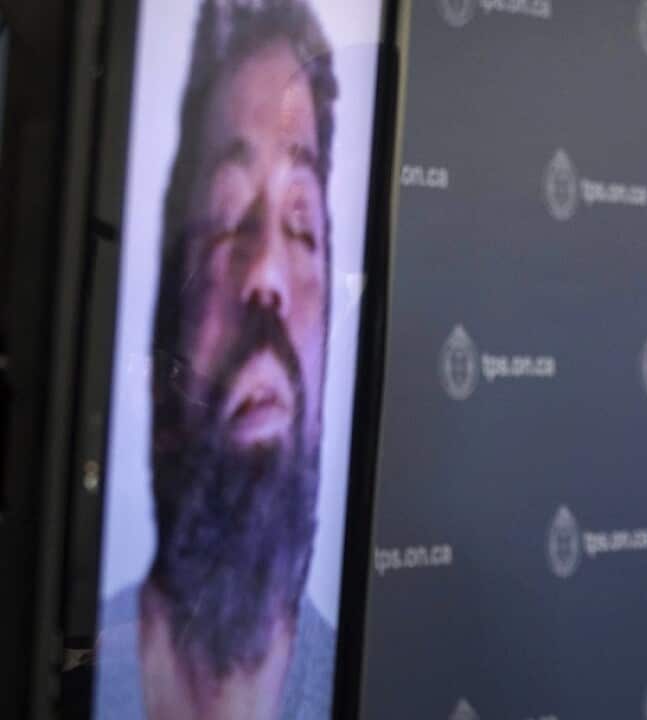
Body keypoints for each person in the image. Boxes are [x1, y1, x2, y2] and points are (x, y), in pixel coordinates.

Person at [95, 1, 339, 717]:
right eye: (229, 218)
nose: (265, 271)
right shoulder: (76, 671)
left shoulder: (361, 679)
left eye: (301, 225)